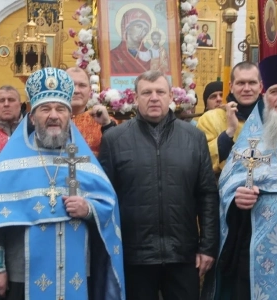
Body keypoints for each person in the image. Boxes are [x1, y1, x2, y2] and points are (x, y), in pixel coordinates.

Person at [0, 67, 125, 300]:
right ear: (32, 116)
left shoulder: (83, 161)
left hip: (75, 270)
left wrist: (88, 209)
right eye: (45, 109)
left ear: (70, 116)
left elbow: (109, 206)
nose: (54, 115)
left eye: (60, 109)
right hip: (22, 274)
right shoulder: (10, 164)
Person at [202, 54, 277, 300]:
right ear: (265, 97)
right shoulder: (251, 141)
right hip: (257, 249)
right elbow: (228, 185)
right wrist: (236, 199)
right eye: (274, 91)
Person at [98, 70, 219, 300]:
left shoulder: (194, 138)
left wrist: (208, 247)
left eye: (160, 92)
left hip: (183, 254)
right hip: (134, 257)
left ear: (171, 96)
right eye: (146, 92)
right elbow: (106, 199)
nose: (154, 97)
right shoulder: (115, 140)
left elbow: (207, 195)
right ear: (135, 98)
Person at [197, 62, 263, 176]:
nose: (246, 89)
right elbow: (201, 161)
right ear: (231, 87)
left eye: (252, 83)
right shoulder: (209, 119)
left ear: (260, 87)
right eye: (241, 83)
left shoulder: (273, 118)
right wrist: (229, 131)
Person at [66, 66, 116, 156]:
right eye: (70, 84)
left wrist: (107, 125)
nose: (76, 90)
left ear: (90, 91)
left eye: (82, 85)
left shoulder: (106, 122)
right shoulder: (49, 120)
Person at [110, 8, 152, 74]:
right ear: (127, 27)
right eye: (139, 26)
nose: (142, 32)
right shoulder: (113, 56)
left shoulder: (150, 55)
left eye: (145, 30)